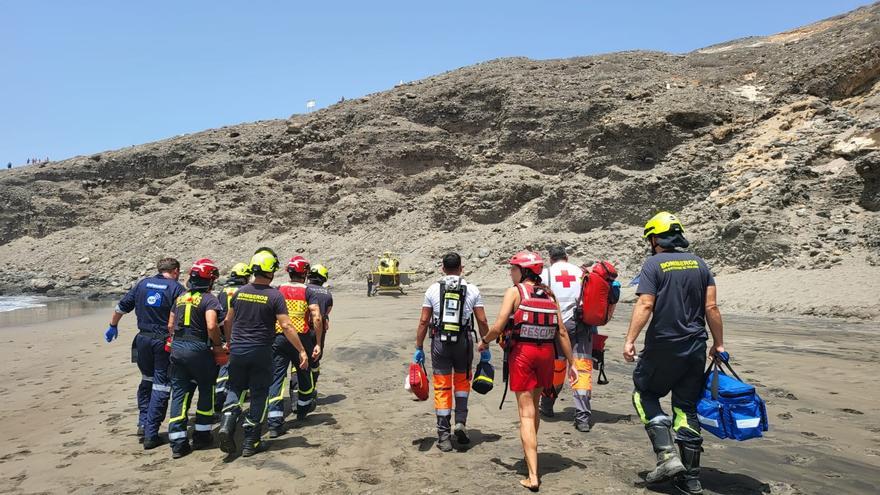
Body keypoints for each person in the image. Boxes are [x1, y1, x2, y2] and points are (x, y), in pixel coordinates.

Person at [624, 212, 724, 495]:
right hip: (695, 347)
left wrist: (630, 339)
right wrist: (719, 344)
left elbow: (645, 304)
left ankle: (667, 456)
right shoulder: (700, 264)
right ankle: (691, 479)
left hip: (663, 346)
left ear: (655, 238)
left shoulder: (653, 264)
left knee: (643, 394)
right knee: (685, 408)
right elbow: (711, 308)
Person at [479, 251, 578, 491]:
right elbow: (562, 332)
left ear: (523, 271)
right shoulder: (549, 294)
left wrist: (485, 341)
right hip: (546, 355)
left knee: (525, 413)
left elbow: (499, 325)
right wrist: (572, 363)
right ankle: (529, 457)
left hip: (523, 354)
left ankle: (533, 475)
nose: (510, 272)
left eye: (513, 268)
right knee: (533, 410)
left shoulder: (515, 292)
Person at [218, 248, 309, 457]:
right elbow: (286, 326)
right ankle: (251, 441)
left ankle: (227, 424)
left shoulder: (240, 292)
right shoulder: (274, 295)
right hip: (261, 350)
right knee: (259, 394)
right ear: (271, 271)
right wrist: (301, 350)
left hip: (238, 350)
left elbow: (228, 321)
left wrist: (231, 342)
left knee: (236, 388)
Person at [104, 258, 184, 449]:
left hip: (142, 340)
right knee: (161, 385)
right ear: (175, 271)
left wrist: (112, 326)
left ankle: (142, 422)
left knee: (146, 380)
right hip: (163, 342)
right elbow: (182, 316)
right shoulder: (176, 289)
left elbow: (121, 307)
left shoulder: (142, 284)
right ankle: (151, 433)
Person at [414, 253, 491, 452]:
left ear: (442, 268)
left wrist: (419, 347)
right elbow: (482, 321)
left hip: (440, 341)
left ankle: (444, 436)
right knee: (462, 383)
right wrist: (485, 346)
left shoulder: (432, 289)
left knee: (442, 386)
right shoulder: (472, 289)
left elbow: (424, 321)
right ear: (461, 268)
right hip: (464, 342)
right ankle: (461, 422)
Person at [165, 259, 223, 458]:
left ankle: (178, 442)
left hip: (178, 348)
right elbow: (211, 325)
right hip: (199, 348)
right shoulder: (209, 299)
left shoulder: (181, 297)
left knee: (180, 393)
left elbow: (171, 324)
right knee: (207, 389)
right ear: (210, 281)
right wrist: (217, 345)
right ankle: (202, 435)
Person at [538, 246, 595, 432]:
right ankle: (583, 417)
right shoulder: (581, 272)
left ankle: (547, 405)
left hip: (554, 326)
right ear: (567, 257)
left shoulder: (545, 274)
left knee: (557, 367)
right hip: (580, 324)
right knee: (582, 368)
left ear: (550, 258)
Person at [267, 256, 323, 437]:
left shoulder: (278, 289)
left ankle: (274, 422)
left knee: (276, 379)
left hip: (279, 337)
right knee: (304, 374)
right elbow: (316, 317)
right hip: (301, 338)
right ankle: (303, 407)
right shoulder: (308, 291)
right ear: (305, 273)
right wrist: (318, 343)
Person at [214, 262, 251, 413]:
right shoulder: (244, 290)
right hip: (239, 331)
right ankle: (229, 393)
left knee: (224, 362)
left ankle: (219, 392)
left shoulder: (223, 291)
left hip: (223, 329)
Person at [306, 263, 333, 386]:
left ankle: (298, 390)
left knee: (299, 360)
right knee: (315, 360)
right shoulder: (327, 293)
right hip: (318, 331)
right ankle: (313, 385)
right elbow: (327, 312)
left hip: (301, 329)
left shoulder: (303, 288)